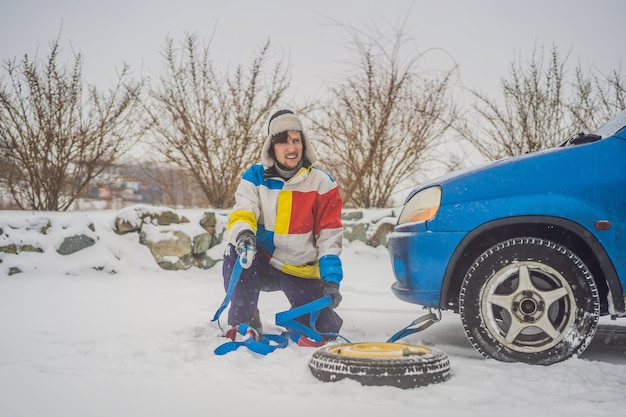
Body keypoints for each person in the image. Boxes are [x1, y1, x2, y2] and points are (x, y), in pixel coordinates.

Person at [221, 109, 344, 346]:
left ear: (304, 144)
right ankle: (245, 319)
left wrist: (331, 279)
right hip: (261, 261)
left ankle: (301, 317)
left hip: (300, 267)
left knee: (325, 330)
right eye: (284, 142)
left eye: (296, 140)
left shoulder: (322, 183)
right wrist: (244, 234)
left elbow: (329, 235)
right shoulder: (254, 176)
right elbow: (243, 211)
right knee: (236, 252)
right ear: (271, 147)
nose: (291, 148)